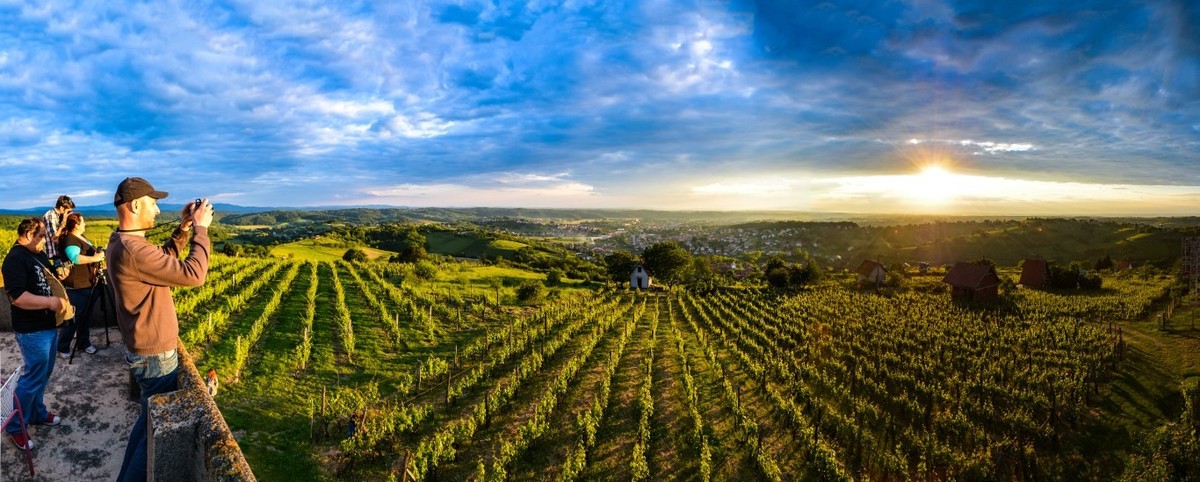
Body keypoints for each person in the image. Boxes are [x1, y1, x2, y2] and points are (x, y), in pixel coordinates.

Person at [106, 177, 212, 482]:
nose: (157, 209)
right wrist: (201, 230)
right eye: (153, 203)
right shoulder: (132, 249)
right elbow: (194, 274)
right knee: (152, 436)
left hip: (144, 352)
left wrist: (183, 229)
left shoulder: (123, 243)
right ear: (134, 205)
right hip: (155, 358)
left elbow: (162, 259)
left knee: (146, 423)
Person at [2, 218, 69, 450]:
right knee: (31, 379)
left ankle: (38, 413)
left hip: (47, 325)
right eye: (41, 236)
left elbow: (48, 279)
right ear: (29, 234)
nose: (44, 240)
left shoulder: (37, 254)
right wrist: (51, 302)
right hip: (31, 331)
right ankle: (15, 427)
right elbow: (18, 298)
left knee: (43, 373)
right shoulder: (14, 259)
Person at [56, 212, 105, 359]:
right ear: (76, 225)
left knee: (86, 317)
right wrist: (95, 258)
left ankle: (84, 343)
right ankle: (63, 346)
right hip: (78, 287)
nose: (85, 224)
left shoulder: (80, 237)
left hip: (88, 284)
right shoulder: (71, 239)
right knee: (74, 318)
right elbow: (75, 258)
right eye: (83, 222)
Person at [42, 195, 74, 261]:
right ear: (62, 208)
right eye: (68, 211)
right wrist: (63, 223)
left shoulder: (60, 216)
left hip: (62, 253)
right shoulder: (50, 216)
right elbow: (54, 238)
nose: (70, 213)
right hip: (55, 254)